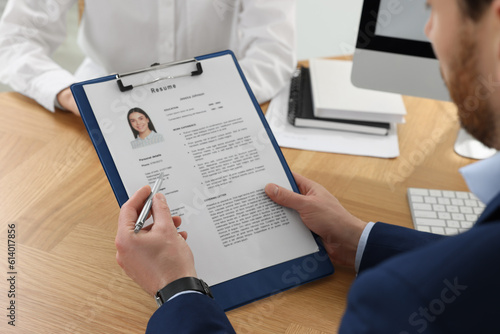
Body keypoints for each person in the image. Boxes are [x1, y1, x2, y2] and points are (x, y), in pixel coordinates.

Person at [115, 0, 500, 332]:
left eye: (433, 8)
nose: (429, 30)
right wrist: (355, 238)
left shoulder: (397, 301)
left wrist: (177, 289)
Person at [0, 0, 296, 116]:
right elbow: (15, 39)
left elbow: (272, 50)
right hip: (98, 107)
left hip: (214, 106)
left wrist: (204, 102)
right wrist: (66, 93)